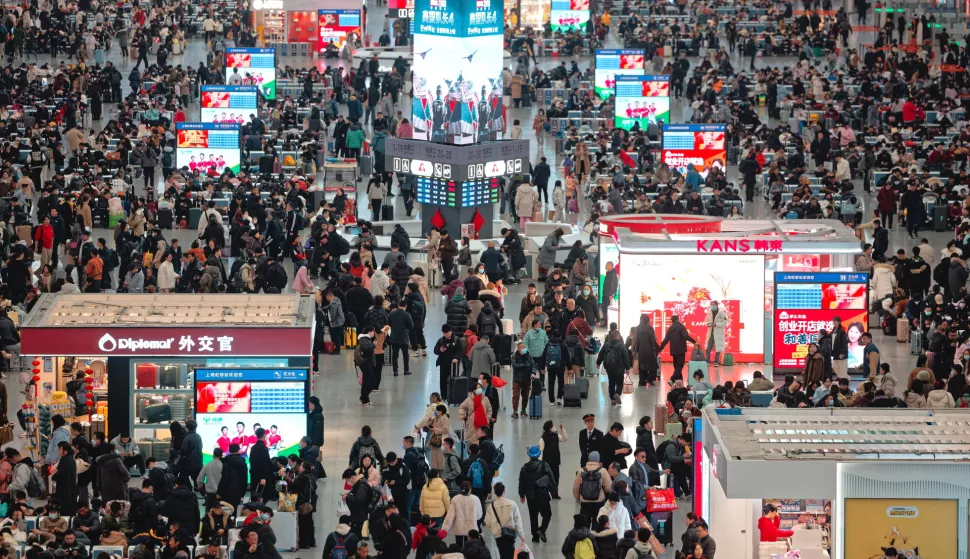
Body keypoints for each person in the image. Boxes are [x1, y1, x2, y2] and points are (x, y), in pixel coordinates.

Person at [518, 445, 555, 543]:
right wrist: (553, 491)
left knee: (533, 516)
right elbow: (551, 480)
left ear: (529, 456)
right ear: (539, 455)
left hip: (530, 497)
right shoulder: (544, 465)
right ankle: (541, 530)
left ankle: (535, 537)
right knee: (547, 514)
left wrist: (521, 495)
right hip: (543, 495)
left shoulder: (524, 468)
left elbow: (521, 482)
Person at [573, 451, 612, 529]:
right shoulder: (603, 470)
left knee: (584, 523)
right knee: (597, 522)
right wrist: (606, 492)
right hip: (599, 502)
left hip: (585, 501)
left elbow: (576, 487)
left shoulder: (581, 470)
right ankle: (595, 538)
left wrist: (578, 497)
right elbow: (608, 487)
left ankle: (586, 538)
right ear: (598, 459)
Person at [485, 482, 524, 559]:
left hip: (498, 535)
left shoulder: (491, 506)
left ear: (494, 492)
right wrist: (521, 535)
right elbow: (517, 521)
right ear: (504, 491)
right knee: (510, 554)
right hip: (510, 534)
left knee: (502, 553)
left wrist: (494, 531)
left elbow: (488, 522)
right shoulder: (512, 504)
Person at [441, 482, 482, 547]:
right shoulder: (475, 499)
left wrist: (444, 529)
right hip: (471, 528)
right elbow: (479, 516)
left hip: (458, 528)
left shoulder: (455, 499)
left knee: (458, 546)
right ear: (470, 489)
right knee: (469, 547)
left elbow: (450, 516)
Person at [658, 315, 697, 383]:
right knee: (680, 365)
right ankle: (672, 379)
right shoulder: (681, 327)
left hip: (673, 350)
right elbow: (686, 336)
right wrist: (695, 342)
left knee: (676, 366)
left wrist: (660, 348)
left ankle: (679, 381)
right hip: (681, 349)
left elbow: (666, 340)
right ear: (678, 319)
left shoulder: (671, 328)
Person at [216, 444, 248, 508]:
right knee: (236, 511)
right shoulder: (243, 463)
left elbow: (224, 478)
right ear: (238, 450)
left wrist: (219, 492)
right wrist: (243, 492)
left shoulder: (225, 462)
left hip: (226, 491)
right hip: (238, 491)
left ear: (229, 450)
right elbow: (245, 478)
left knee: (226, 512)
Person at [50, 442, 77, 516]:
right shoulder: (72, 460)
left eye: (60, 449)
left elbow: (61, 473)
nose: (59, 451)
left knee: (64, 509)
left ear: (65, 451)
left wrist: (53, 476)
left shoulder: (64, 460)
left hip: (64, 489)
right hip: (71, 488)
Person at [249, 428, 273, 502]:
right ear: (264, 435)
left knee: (254, 496)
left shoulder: (253, 447)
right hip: (262, 477)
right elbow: (264, 463)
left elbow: (251, 460)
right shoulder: (263, 448)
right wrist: (263, 477)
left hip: (254, 475)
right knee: (261, 497)